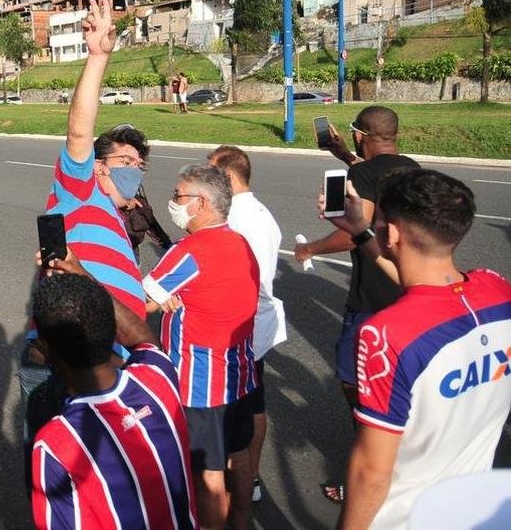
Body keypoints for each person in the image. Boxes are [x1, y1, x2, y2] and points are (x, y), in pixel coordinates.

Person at [321, 169, 511, 530]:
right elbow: (425, 291)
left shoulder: (384, 335)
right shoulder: (497, 290)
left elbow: (372, 472)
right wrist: (360, 231)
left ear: (391, 233)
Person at [18, 0, 151, 459]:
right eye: (125, 161)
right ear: (97, 167)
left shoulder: (118, 220)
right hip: (67, 369)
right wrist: (99, 56)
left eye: (141, 164)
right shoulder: (80, 191)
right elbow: (79, 132)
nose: (136, 169)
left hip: (113, 367)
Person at [294, 106, 419, 504]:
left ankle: (373, 463)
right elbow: (378, 177)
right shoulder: (412, 168)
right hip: (409, 291)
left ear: (361, 135)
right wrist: (344, 155)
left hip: (372, 297)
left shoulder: (360, 175)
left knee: (356, 382)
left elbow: (353, 234)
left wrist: (309, 248)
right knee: (402, 380)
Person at [30, 262, 197, 529]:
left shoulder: (55, 446)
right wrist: (84, 276)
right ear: (112, 331)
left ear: (45, 350)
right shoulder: (157, 378)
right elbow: (141, 337)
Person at [142, 164, 259, 530]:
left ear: (202, 203)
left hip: (198, 384)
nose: (173, 203)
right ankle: (241, 519)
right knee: (239, 456)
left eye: (178, 196)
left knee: (208, 474)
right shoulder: (239, 241)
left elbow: (139, 300)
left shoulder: (188, 252)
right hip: (240, 374)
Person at [207, 145, 284, 504]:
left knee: (233, 410)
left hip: (238, 326)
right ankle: (249, 476)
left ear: (229, 176)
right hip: (256, 324)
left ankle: (236, 479)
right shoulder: (259, 210)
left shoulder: (235, 218)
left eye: (212, 173)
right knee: (254, 405)